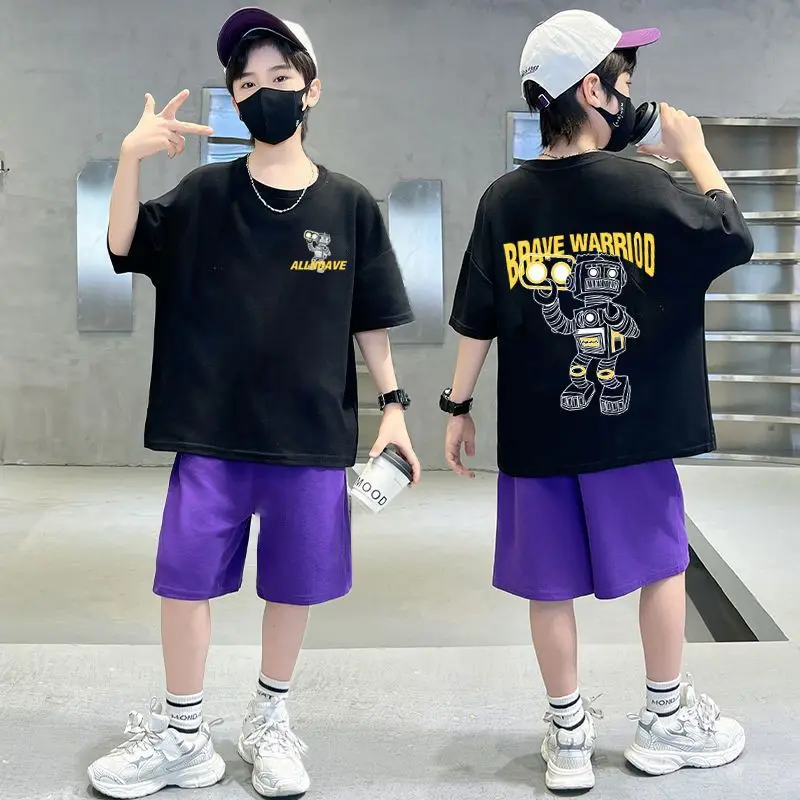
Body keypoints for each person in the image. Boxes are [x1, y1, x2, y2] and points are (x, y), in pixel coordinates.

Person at [87, 7, 419, 798]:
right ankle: (182, 735)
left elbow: (370, 319)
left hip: (309, 434)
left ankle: (270, 721)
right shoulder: (205, 194)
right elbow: (124, 245)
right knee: (184, 581)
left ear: (311, 89)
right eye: (247, 83)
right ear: (234, 100)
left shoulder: (350, 206)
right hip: (212, 430)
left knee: (292, 586)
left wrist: (395, 408)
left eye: (280, 76)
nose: (264, 92)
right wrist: (129, 159)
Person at [442, 9, 753, 794]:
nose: (632, 94)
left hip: (540, 435)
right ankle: (664, 720)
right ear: (592, 89)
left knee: (548, 584)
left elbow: (477, 312)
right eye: (625, 79)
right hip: (631, 430)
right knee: (663, 566)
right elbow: (731, 235)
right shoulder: (643, 184)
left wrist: (456, 407)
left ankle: (570, 736)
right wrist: (694, 152)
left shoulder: (504, 199)